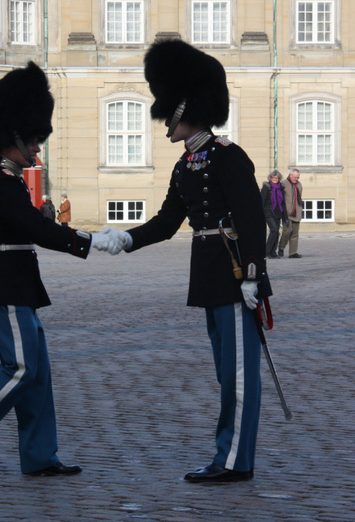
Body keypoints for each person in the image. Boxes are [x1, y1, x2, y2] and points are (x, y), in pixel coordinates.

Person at [0, 62, 118, 478]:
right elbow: (38, 229)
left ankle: (38, 456)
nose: (37, 148)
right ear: (10, 139)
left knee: (37, 376)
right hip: (8, 290)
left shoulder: (8, 180)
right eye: (32, 141)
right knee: (19, 370)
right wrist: (92, 241)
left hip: (15, 287)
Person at [99, 40, 271, 483]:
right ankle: (230, 454)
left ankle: (233, 460)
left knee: (239, 376)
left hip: (235, 275)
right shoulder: (186, 164)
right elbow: (167, 221)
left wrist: (253, 273)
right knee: (225, 372)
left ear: (185, 108)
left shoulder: (229, 157)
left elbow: (254, 221)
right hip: (211, 276)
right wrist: (126, 238)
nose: (165, 121)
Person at [260, 171, 288, 259]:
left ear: (279, 179)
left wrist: (285, 217)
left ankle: (273, 252)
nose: (275, 179)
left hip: (278, 212)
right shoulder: (267, 187)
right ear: (270, 178)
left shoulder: (281, 188)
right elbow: (262, 201)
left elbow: (283, 203)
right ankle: (267, 251)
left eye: (276, 178)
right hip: (268, 212)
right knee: (274, 230)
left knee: (277, 233)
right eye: (273, 178)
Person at [278, 169, 303, 258]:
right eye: (295, 177)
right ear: (290, 175)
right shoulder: (283, 184)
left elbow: (299, 198)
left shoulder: (299, 185)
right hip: (287, 213)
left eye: (298, 177)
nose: (296, 179)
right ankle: (281, 248)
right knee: (287, 231)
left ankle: (292, 252)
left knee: (295, 233)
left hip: (297, 212)